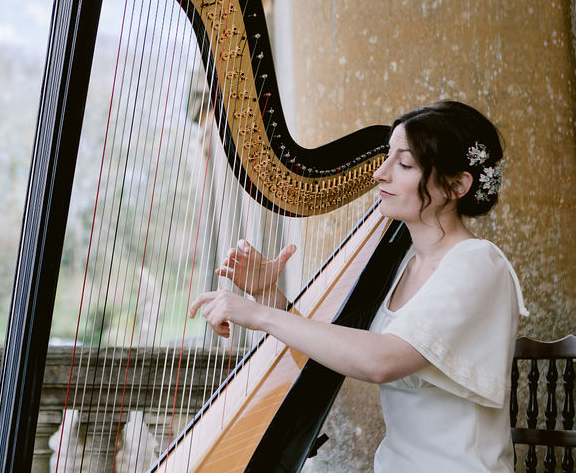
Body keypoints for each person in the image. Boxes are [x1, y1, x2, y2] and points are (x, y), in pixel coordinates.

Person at [188, 100, 528, 472]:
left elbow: (380, 359)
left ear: (456, 185)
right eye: (386, 158)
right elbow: (336, 348)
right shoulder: (404, 266)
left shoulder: (478, 264)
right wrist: (267, 296)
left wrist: (261, 315)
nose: (380, 174)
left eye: (404, 164)